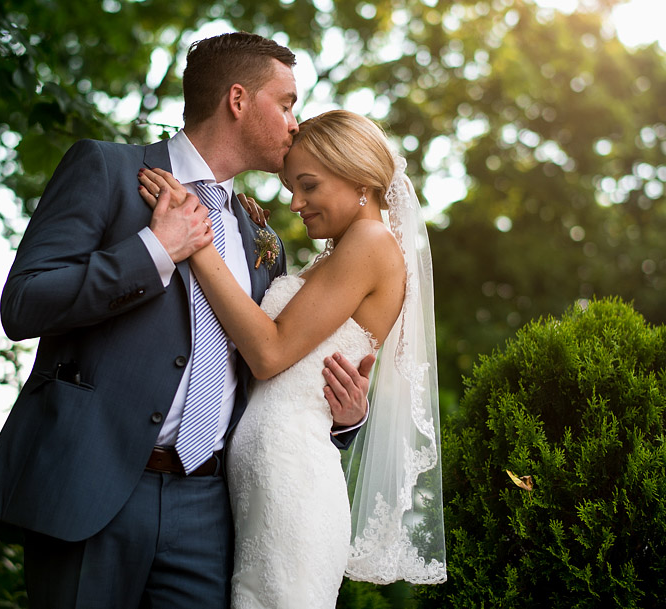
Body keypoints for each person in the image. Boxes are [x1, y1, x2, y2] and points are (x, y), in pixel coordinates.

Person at [0, 33, 375, 608]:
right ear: (238, 99)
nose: (295, 122)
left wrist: (343, 420)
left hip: (211, 511)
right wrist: (154, 250)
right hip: (94, 487)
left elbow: (271, 364)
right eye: (285, 103)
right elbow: (23, 304)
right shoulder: (108, 170)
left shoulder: (263, 238)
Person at [138, 109, 447, 609]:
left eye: (308, 186)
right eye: (290, 186)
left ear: (361, 182)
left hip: (293, 480)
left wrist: (196, 243)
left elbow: (269, 352)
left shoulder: (371, 242)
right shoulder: (338, 252)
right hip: (260, 478)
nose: (295, 202)